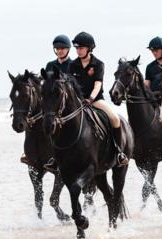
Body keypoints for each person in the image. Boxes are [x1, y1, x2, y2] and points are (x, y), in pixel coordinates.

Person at [44, 32, 129, 172]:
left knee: (115, 119)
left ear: (89, 48)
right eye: (76, 48)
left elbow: (98, 84)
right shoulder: (73, 64)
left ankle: (119, 152)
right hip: (78, 102)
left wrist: (90, 98)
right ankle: (55, 158)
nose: (78, 50)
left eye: (81, 48)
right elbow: (70, 84)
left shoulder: (98, 64)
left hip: (95, 100)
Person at [21, 35, 72, 167]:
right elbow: (43, 82)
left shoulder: (73, 65)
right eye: (57, 48)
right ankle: (29, 152)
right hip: (51, 102)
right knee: (35, 120)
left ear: (68, 49)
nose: (59, 51)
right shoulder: (50, 65)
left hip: (67, 103)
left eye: (62, 48)